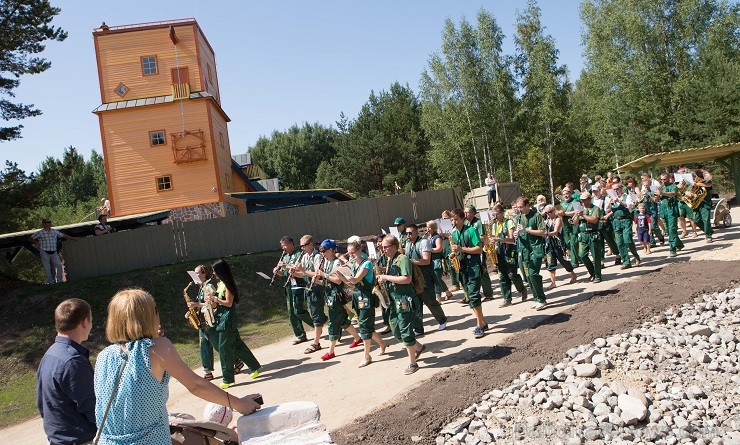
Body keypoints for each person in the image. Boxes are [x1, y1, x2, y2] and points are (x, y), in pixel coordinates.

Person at [94, 289, 261, 445]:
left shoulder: (103, 356)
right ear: (149, 316)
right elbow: (196, 386)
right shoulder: (156, 347)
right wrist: (239, 404)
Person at [37, 298, 96, 445]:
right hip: (79, 440)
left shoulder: (49, 354)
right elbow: (94, 408)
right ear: (85, 322)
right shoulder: (73, 361)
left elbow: (41, 403)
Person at [376, 235, 426, 374]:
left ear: (394, 247)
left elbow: (407, 278)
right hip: (394, 300)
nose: (383, 249)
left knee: (405, 330)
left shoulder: (402, 259)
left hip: (405, 300)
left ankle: (412, 363)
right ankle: (419, 347)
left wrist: (386, 277)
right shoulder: (390, 259)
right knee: (396, 330)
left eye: (386, 247)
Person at [337, 240, 388, 367]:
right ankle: (382, 344)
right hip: (357, 296)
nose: (352, 255)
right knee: (366, 325)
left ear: (359, 250)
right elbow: (351, 283)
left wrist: (349, 277)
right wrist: (341, 276)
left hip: (366, 297)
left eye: (353, 252)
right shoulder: (354, 265)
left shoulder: (366, 264)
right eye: (349, 254)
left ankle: (366, 355)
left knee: (364, 326)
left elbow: (355, 280)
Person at [211, 259, 261, 388]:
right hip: (221, 318)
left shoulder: (228, 284)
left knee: (224, 349)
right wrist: (212, 300)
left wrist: (216, 299)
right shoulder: (220, 283)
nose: (213, 273)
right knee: (237, 345)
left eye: (215, 271)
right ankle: (255, 367)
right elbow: (219, 302)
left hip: (227, 319)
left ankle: (228, 379)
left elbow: (228, 302)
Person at [315, 240, 362, 361]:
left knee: (333, 321)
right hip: (329, 294)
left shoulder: (336, 263)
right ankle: (357, 338)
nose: (322, 253)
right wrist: (315, 279)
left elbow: (337, 280)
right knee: (342, 319)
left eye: (324, 251)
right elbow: (326, 281)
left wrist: (323, 274)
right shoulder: (326, 262)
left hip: (335, 295)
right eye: (321, 251)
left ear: (331, 250)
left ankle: (331, 351)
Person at [449, 208, 489, 337]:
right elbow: (457, 249)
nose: (453, 222)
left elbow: (478, 249)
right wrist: (454, 253)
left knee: (473, 295)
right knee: (470, 297)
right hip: (463, 267)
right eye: (452, 219)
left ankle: (479, 325)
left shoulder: (471, 230)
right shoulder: (454, 233)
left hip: (473, 266)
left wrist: (462, 249)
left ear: (462, 219)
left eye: (456, 219)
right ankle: (483, 322)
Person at [404, 224, 448, 333]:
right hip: (413, 278)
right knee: (415, 304)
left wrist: (411, 262)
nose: (408, 235)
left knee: (430, 301)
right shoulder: (408, 244)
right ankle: (418, 328)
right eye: (407, 233)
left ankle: (442, 320)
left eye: (410, 233)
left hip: (425, 277)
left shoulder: (423, 242)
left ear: (416, 232)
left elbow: (426, 260)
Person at [272, 236, 314, 345]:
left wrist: (286, 266)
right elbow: (282, 273)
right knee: (291, 311)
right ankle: (300, 335)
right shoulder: (284, 257)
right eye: (282, 246)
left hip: (298, 284)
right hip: (288, 285)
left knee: (298, 309)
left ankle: (316, 324)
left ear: (291, 244)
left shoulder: (298, 254)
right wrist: (277, 271)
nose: (283, 248)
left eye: (284, 245)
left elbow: (297, 268)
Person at [292, 235, 328, 354]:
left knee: (317, 315)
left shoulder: (317, 256)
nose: (302, 248)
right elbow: (303, 275)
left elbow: (317, 274)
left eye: (304, 245)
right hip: (309, 288)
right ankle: (340, 322)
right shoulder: (305, 257)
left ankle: (316, 343)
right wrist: (293, 272)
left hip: (318, 288)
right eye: (301, 246)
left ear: (311, 244)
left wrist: (302, 271)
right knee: (321, 314)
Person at [513, 197, 548, 310]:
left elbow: (543, 232)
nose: (519, 210)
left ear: (528, 205)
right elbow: (521, 233)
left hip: (535, 249)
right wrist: (516, 235)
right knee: (528, 276)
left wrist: (526, 230)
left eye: (521, 207)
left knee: (533, 274)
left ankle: (541, 299)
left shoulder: (536, 216)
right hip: (525, 250)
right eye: (518, 208)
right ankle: (536, 297)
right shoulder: (519, 217)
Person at [489, 203, 527, 306]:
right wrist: (492, 243)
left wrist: (500, 239)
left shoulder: (509, 222)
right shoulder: (495, 225)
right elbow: (493, 237)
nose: (494, 216)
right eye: (493, 214)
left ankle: (522, 289)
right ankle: (507, 299)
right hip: (499, 253)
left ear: (502, 213)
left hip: (509, 252)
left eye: (496, 214)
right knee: (502, 277)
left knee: (512, 275)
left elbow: (512, 239)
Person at [185, 265, 218, 380]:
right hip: (202, 321)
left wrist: (196, 304)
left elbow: (213, 303)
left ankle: (236, 361)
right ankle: (207, 371)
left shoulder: (209, 286)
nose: (195, 275)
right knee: (204, 346)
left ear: (204, 274)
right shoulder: (201, 287)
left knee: (218, 344)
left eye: (197, 273)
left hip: (209, 320)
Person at [604, 183, 641, 268]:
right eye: (614, 190)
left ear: (621, 188)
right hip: (616, 221)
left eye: (617, 189)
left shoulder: (626, 196)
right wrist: (610, 202)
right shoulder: (611, 198)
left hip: (625, 220)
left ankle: (636, 256)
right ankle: (626, 261)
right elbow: (607, 210)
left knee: (627, 240)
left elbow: (630, 205)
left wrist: (619, 201)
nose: (615, 191)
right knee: (620, 243)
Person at [29, 218, 76, 284]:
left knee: (59, 266)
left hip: (54, 251)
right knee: (47, 268)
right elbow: (30, 238)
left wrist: (72, 238)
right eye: (47, 222)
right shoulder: (40, 232)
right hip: (44, 252)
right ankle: (51, 282)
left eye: (49, 222)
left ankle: (59, 281)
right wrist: (37, 243)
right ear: (43, 224)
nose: (49, 223)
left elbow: (63, 235)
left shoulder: (54, 231)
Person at [463, 205, 494, 302]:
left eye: (467, 212)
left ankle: (489, 294)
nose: (465, 214)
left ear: (473, 213)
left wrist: (472, 238)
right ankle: (470, 295)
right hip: (470, 250)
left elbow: (483, 237)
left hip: (479, 249)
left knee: (483, 271)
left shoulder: (478, 222)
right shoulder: (466, 222)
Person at [542, 204, 577, 289]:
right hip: (549, 244)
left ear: (554, 211)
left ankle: (573, 274)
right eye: (547, 213)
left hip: (558, 244)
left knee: (563, 261)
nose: (548, 214)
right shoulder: (545, 221)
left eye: (550, 212)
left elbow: (556, 231)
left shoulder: (558, 219)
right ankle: (553, 282)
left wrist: (545, 234)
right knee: (550, 263)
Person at [574, 192, 603, 283]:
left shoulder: (595, 208)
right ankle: (592, 273)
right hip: (583, 235)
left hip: (593, 234)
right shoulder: (580, 209)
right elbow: (574, 223)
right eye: (581, 200)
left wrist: (583, 215)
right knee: (582, 255)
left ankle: (598, 275)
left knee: (596, 256)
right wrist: (576, 216)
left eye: (584, 200)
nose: (582, 201)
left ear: (589, 199)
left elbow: (594, 220)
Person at [656, 172, 685, 257]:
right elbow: (657, 199)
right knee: (668, 231)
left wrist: (662, 193)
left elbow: (672, 194)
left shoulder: (673, 186)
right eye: (661, 179)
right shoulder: (661, 187)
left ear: (668, 178)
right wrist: (656, 195)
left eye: (664, 179)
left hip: (671, 209)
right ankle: (679, 244)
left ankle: (672, 249)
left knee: (672, 229)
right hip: (664, 209)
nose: (662, 181)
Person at [425, 220, 453, 302]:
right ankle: (448, 293)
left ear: (433, 228)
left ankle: (438, 298)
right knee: (437, 279)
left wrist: (428, 250)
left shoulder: (437, 237)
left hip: (437, 261)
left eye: (428, 227)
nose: (427, 229)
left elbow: (439, 248)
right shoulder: (428, 237)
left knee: (436, 279)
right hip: (430, 261)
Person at [557, 188, 580, 269]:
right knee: (568, 243)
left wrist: (565, 213)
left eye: (567, 194)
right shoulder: (561, 204)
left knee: (574, 242)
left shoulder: (576, 201)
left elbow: (578, 211)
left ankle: (574, 262)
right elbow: (559, 215)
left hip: (574, 224)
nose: (566, 195)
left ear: (570, 193)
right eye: (564, 194)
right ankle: (578, 257)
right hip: (565, 225)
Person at [690, 167, 714, 243]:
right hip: (697, 203)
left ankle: (708, 235)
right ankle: (709, 230)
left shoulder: (707, 180)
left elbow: (709, 185)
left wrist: (697, 184)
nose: (698, 176)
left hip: (705, 203)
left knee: (706, 220)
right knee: (696, 220)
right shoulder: (695, 181)